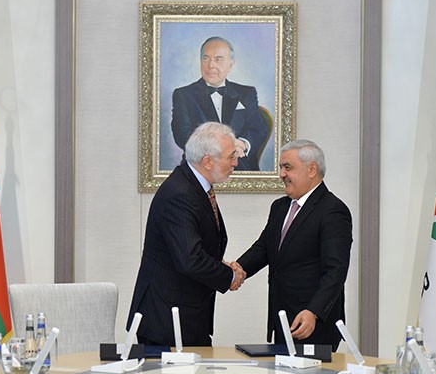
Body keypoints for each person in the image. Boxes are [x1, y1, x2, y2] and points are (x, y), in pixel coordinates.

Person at [127, 122, 246, 347]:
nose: (235, 163)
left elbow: (190, 246)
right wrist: (229, 276)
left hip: (186, 315)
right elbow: (190, 259)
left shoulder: (193, 186)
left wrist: (221, 265)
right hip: (167, 319)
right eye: (231, 157)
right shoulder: (180, 193)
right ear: (208, 161)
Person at [233, 139, 352, 351]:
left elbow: (336, 270)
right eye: (281, 167)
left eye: (287, 167)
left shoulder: (333, 210)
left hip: (313, 323)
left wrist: (313, 311)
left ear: (311, 169)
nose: (281, 174)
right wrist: (237, 269)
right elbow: (263, 248)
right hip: (282, 319)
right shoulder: (279, 207)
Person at [171, 36, 269, 171]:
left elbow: (258, 128)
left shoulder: (247, 93)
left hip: (241, 167)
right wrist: (224, 148)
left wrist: (242, 143)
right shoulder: (183, 95)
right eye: (206, 58)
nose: (211, 65)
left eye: (218, 59)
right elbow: (182, 135)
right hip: (201, 168)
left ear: (230, 65)